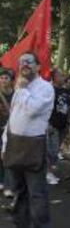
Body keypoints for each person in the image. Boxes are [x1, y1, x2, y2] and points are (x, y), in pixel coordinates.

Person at [1, 53, 54, 228]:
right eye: (21, 61)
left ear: (38, 67)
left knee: (37, 194)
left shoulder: (45, 88)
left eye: (28, 62)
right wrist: (4, 144)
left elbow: (32, 110)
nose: (24, 65)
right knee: (19, 193)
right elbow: (13, 118)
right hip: (14, 145)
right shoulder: (19, 87)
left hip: (33, 148)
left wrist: (22, 89)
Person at [46, 68, 70, 185]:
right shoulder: (49, 89)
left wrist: (68, 123)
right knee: (51, 150)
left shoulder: (66, 91)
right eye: (61, 75)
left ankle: (49, 171)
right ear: (55, 77)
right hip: (52, 124)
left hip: (63, 125)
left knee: (56, 149)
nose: (64, 78)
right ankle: (48, 172)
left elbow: (69, 107)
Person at [0, 68, 14, 197]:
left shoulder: (16, 94)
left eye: (6, 78)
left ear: (11, 81)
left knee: (7, 157)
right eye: (2, 78)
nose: (3, 80)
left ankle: (8, 186)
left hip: (10, 129)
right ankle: (2, 181)